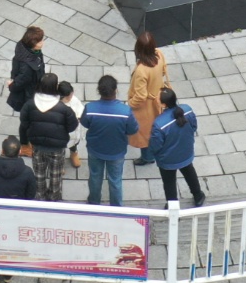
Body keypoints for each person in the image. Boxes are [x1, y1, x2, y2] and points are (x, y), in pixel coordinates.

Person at [18, 74, 79, 200]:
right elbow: (72, 126)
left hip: (37, 146)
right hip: (57, 149)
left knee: (39, 176)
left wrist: (28, 137)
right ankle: (54, 198)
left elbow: (24, 124)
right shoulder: (64, 109)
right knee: (55, 176)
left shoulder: (29, 105)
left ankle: (40, 196)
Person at [81, 75, 139, 206]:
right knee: (115, 180)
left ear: (99, 90)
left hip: (95, 149)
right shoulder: (125, 111)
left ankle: (94, 202)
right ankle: (116, 207)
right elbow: (133, 130)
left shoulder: (90, 108)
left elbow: (85, 123)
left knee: (95, 176)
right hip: (117, 151)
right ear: (116, 90)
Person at [148, 88, 206, 207]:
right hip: (186, 152)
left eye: (158, 98)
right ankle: (198, 196)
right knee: (189, 172)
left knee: (169, 182)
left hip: (167, 159)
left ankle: (173, 206)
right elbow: (194, 127)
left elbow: (155, 145)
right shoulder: (187, 110)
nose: (156, 98)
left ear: (163, 104)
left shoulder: (159, 123)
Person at [127, 32, 167, 165]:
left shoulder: (142, 70)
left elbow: (140, 96)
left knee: (144, 134)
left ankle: (147, 157)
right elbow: (163, 71)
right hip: (158, 98)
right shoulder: (159, 54)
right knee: (153, 129)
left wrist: (130, 103)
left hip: (146, 108)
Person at [8, 25, 46, 113]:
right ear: (33, 43)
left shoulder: (27, 49)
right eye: (39, 41)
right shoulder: (27, 66)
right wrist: (11, 86)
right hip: (30, 92)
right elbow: (21, 81)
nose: (42, 42)